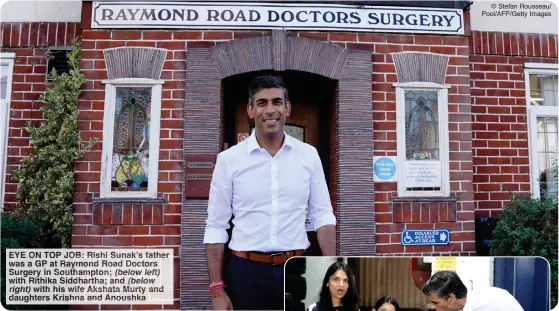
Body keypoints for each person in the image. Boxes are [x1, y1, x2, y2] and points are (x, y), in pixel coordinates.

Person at [203, 75, 337, 310]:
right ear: (250, 110)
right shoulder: (229, 161)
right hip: (245, 273)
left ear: (287, 108)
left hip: (298, 269)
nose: (270, 110)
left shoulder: (308, 156)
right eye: (262, 103)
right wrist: (216, 290)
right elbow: (216, 225)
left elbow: (323, 216)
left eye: (276, 102)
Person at [421, 271, 525, 311]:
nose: (432, 307)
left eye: (435, 302)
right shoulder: (475, 298)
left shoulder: (485, 306)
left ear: (451, 298)